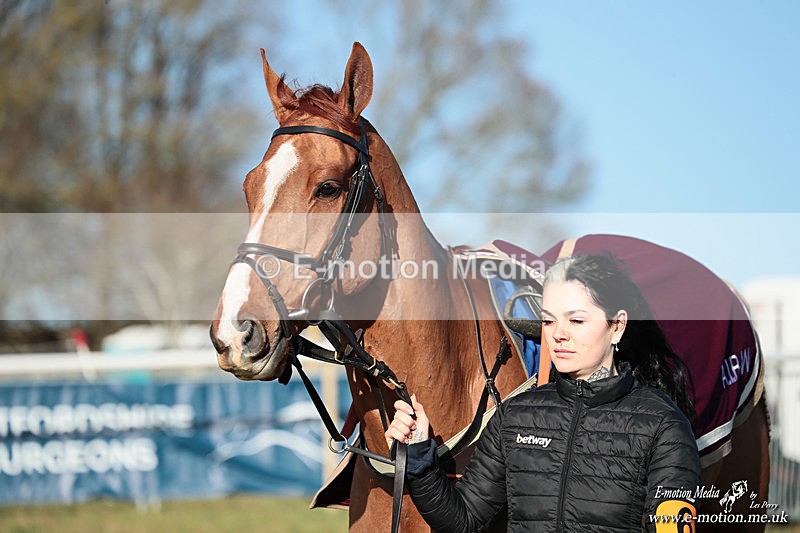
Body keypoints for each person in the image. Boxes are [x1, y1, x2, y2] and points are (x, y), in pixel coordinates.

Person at [386, 252, 700, 532]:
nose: (559, 334)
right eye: (548, 320)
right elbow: (464, 521)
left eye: (576, 320)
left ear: (617, 326)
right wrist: (419, 456)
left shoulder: (663, 424)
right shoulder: (514, 416)